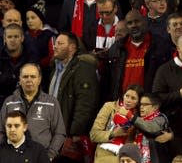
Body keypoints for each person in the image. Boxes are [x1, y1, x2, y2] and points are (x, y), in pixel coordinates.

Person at [49, 32, 100, 162]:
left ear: (72, 47)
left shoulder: (83, 68)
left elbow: (85, 104)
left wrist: (74, 133)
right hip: (54, 131)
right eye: (55, 43)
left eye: (60, 43)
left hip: (69, 135)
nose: (55, 46)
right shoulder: (54, 67)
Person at [0, 63, 65, 160]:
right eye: (25, 77)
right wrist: (6, 153)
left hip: (41, 157)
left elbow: (59, 133)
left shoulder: (52, 103)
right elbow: (1, 131)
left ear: (39, 79)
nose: (29, 80)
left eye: (33, 77)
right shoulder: (9, 102)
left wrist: (49, 156)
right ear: (20, 79)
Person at [103, 10, 171, 102]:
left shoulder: (160, 46)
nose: (133, 25)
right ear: (127, 26)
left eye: (137, 21)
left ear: (145, 22)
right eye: (130, 23)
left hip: (149, 105)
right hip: (122, 105)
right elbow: (108, 81)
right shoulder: (116, 48)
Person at [90, 84, 143, 161]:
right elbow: (93, 135)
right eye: (127, 96)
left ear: (138, 102)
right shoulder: (109, 107)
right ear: (123, 95)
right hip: (104, 156)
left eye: (133, 98)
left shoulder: (138, 117)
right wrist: (113, 134)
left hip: (124, 157)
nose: (128, 100)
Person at [0, 24, 39, 101]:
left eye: (16, 37)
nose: (12, 40)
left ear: (22, 38)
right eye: (9, 37)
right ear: (5, 39)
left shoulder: (31, 58)